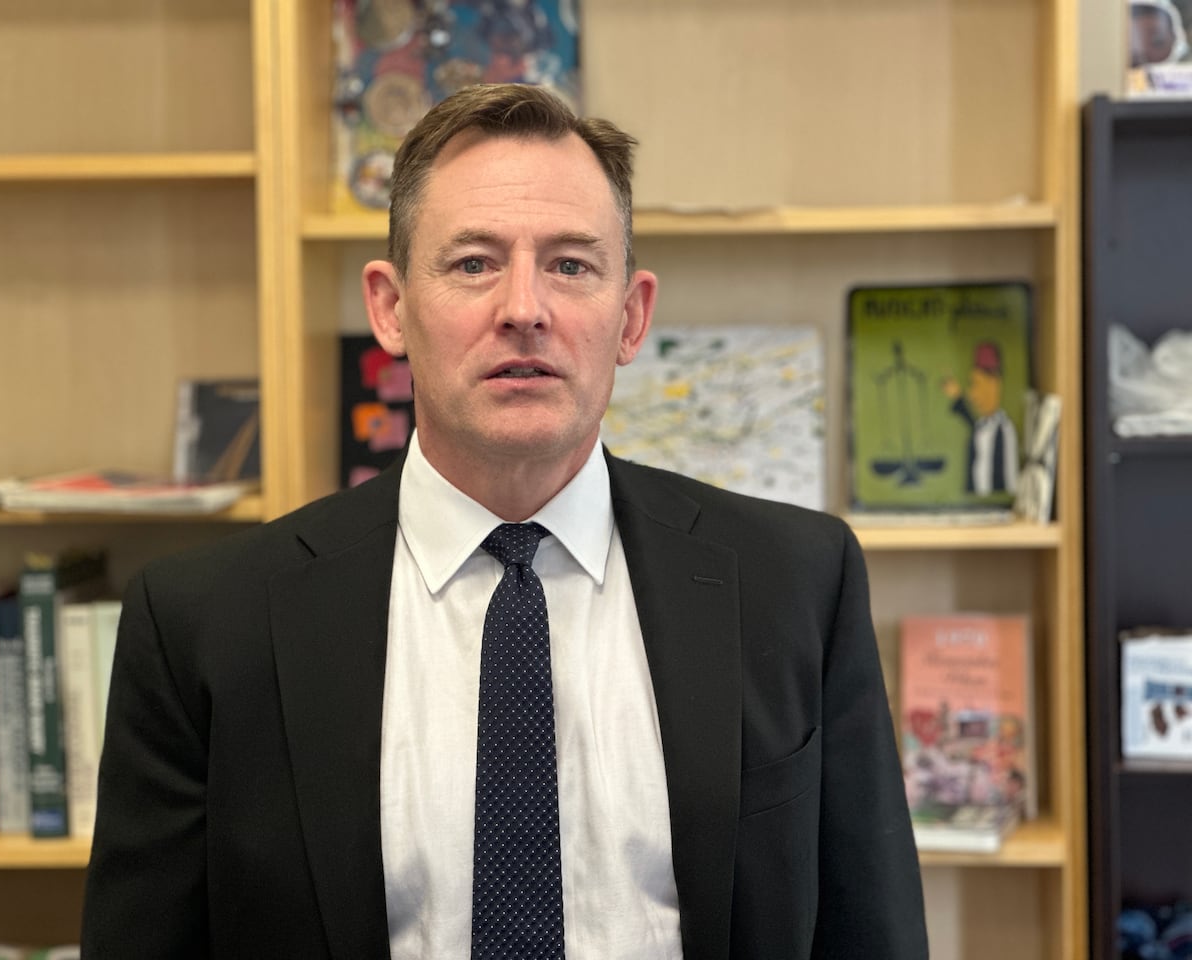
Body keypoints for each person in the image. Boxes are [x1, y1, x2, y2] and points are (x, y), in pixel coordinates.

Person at [82, 83, 927, 959]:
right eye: (474, 263)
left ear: (631, 316)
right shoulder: (202, 624)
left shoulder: (796, 583)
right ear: (391, 307)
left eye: (570, 265)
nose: (525, 308)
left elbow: (871, 930)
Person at [943, 340, 1019, 497]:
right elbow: (972, 424)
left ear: (994, 384)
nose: (972, 395)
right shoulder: (983, 425)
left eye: (976, 384)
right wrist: (957, 397)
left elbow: (1009, 478)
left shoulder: (1003, 430)